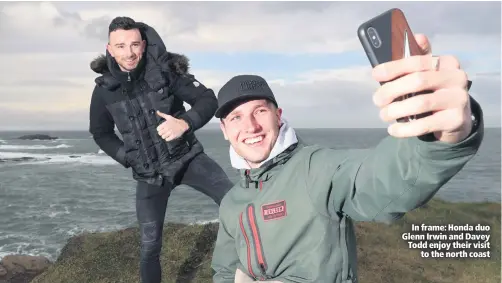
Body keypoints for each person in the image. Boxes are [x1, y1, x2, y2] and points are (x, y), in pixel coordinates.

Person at [210, 33, 484, 283]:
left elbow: (381, 179)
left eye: (259, 111)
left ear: (278, 116)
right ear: (224, 130)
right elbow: (224, 269)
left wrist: (439, 135)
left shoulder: (317, 168)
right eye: (235, 117)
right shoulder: (232, 202)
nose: (250, 127)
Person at [88, 17, 233, 283]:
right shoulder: (104, 91)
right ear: (110, 49)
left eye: (134, 45)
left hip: (187, 159)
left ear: (143, 44)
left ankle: (250, 268)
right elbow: (100, 133)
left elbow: (207, 98)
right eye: (121, 46)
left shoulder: (166, 71)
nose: (129, 53)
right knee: (149, 246)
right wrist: (127, 156)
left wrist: (185, 123)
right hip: (149, 175)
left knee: (235, 203)